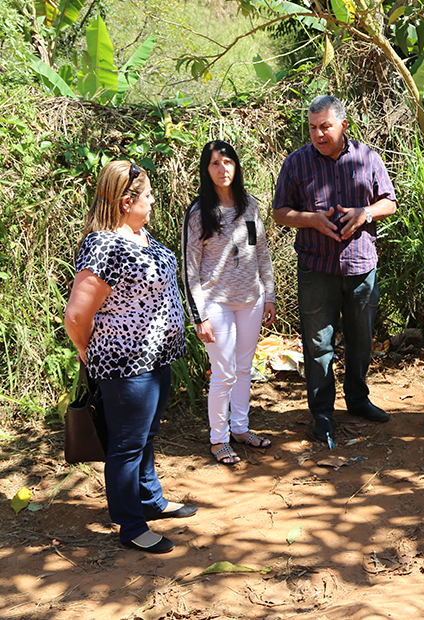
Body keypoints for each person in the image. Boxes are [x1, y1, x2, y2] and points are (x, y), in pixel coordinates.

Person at [64, 161, 196, 554]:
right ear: (126, 202)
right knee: (126, 445)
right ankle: (131, 525)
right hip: (125, 365)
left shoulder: (138, 235)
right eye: (148, 196)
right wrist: (88, 351)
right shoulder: (105, 243)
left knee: (146, 436)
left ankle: (150, 500)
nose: (153, 201)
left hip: (156, 359)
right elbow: (77, 314)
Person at [272, 95, 397, 445]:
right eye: (312, 127)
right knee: (317, 345)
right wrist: (310, 219)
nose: (318, 134)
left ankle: (357, 400)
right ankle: (322, 413)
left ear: (343, 124)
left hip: (360, 267)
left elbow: (390, 201)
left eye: (325, 126)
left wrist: (365, 214)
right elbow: (280, 212)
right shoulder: (296, 163)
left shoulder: (368, 158)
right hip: (316, 267)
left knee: (361, 342)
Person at [182, 141, 277, 465]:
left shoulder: (249, 205)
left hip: (251, 300)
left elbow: (261, 252)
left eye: (227, 162)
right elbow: (190, 269)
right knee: (223, 373)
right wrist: (199, 315)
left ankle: (240, 428)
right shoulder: (199, 213)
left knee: (243, 368)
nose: (222, 169)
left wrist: (269, 295)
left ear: (236, 166)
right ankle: (219, 439)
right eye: (214, 164)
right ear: (206, 171)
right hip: (217, 305)